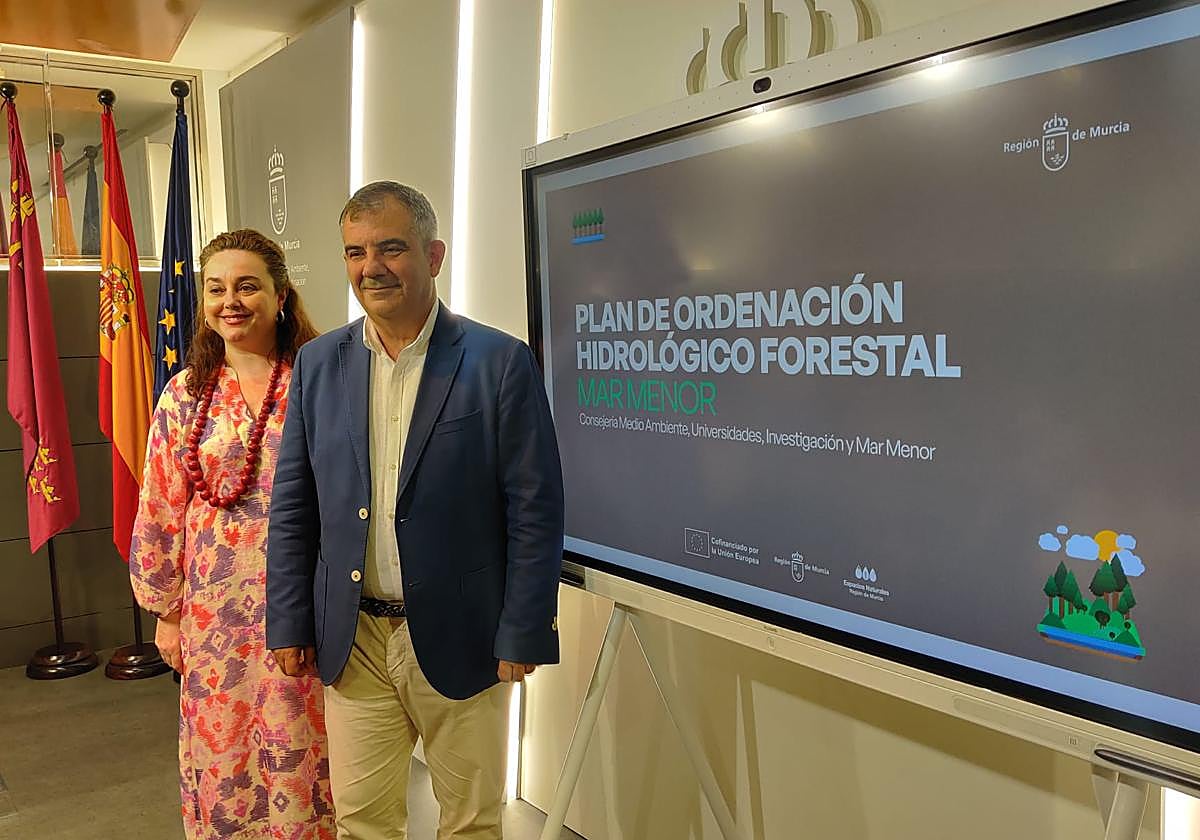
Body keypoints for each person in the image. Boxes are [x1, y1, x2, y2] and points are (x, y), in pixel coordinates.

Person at [266, 181, 564, 839]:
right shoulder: (319, 364)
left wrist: (525, 628)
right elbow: (294, 505)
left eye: (390, 248)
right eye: (354, 252)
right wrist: (287, 621)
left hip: (466, 634)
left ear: (433, 256)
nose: (370, 267)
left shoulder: (497, 361)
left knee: (470, 824)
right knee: (362, 821)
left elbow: (535, 509)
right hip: (356, 638)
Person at [130, 229, 336, 840]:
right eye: (216, 289)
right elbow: (161, 504)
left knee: (304, 746)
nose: (231, 301)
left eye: (248, 285)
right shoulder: (184, 394)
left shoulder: (318, 381)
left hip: (301, 603)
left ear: (280, 295)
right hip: (213, 616)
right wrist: (166, 612)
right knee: (223, 757)